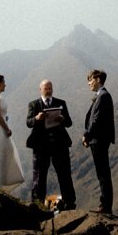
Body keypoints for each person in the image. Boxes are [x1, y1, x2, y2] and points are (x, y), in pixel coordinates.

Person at [25, 79, 76, 210]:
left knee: (64, 175)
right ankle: (37, 205)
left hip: (60, 145)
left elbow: (69, 122)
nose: (48, 91)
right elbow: (28, 122)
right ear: (40, 89)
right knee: (39, 177)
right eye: (46, 88)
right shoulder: (34, 104)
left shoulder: (61, 103)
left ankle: (69, 202)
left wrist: (63, 119)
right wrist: (37, 118)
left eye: (50, 88)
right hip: (41, 146)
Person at [82, 68, 115, 215]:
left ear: (97, 80)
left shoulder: (103, 96)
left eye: (90, 80)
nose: (89, 83)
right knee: (102, 173)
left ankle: (105, 206)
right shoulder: (101, 96)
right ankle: (105, 204)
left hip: (99, 139)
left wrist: (87, 135)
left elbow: (96, 120)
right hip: (98, 139)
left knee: (103, 174)